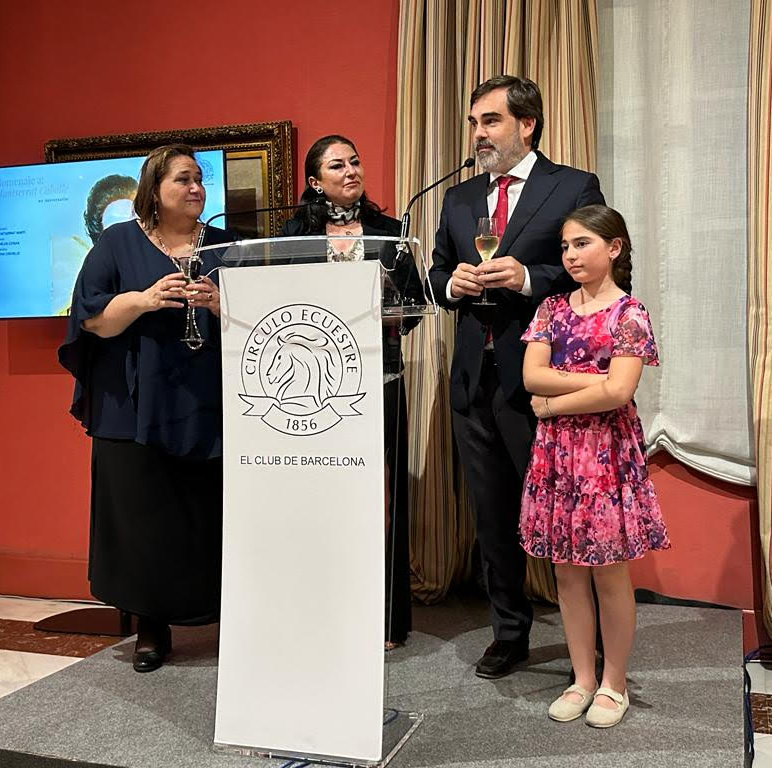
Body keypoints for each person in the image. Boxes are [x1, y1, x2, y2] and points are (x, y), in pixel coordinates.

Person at [428, 75, 605, 679]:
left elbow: (590, 268)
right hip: (472, 380)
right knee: (492, 517)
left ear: (527, 125)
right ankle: (509, 633)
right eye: (474, 123)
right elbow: (437, 273)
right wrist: (452, 284)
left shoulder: (572, 186)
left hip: (541, 380)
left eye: (491, 121)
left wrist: (526, 278)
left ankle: (590, 643)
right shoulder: (458, 199)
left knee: (562, 513)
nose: (478, 134)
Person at [58, 144, 235, 672]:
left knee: (207, 514)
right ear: (154, 189)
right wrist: (144, 299)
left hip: (209, 402)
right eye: (183, 179)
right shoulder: (118, 243)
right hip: (133, 406)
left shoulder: (226, 245)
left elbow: (263, 319)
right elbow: (92, 321)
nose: (196, 188)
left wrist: (223, 304)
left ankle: (223, 616)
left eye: (199, 179)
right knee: (144, 520)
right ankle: (151, 627)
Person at [521, 204, 670, 727]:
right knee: (567, 572)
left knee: (609, 573)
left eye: (582, 243)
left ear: (614, 247)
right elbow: (532, 377)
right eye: (565, 246)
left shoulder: (630, 313)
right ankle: (583, 677)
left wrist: (554, 404)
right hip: (558, 455)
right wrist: (598, 381)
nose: (570, 255)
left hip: (604, 455)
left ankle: (614, 683)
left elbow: (620, 392)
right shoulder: (550, 309)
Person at [281, 135, 425, 648]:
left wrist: (390, 311)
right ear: (315, 181)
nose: (351, 171)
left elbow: (415, 303)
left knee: (381, 499)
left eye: (356, 161)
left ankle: (386, 618)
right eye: (337, 165)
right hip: (315, 387)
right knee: (325, 498)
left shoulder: (391, 232)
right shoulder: (294, 234)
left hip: (380, 377)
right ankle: (323, 610)